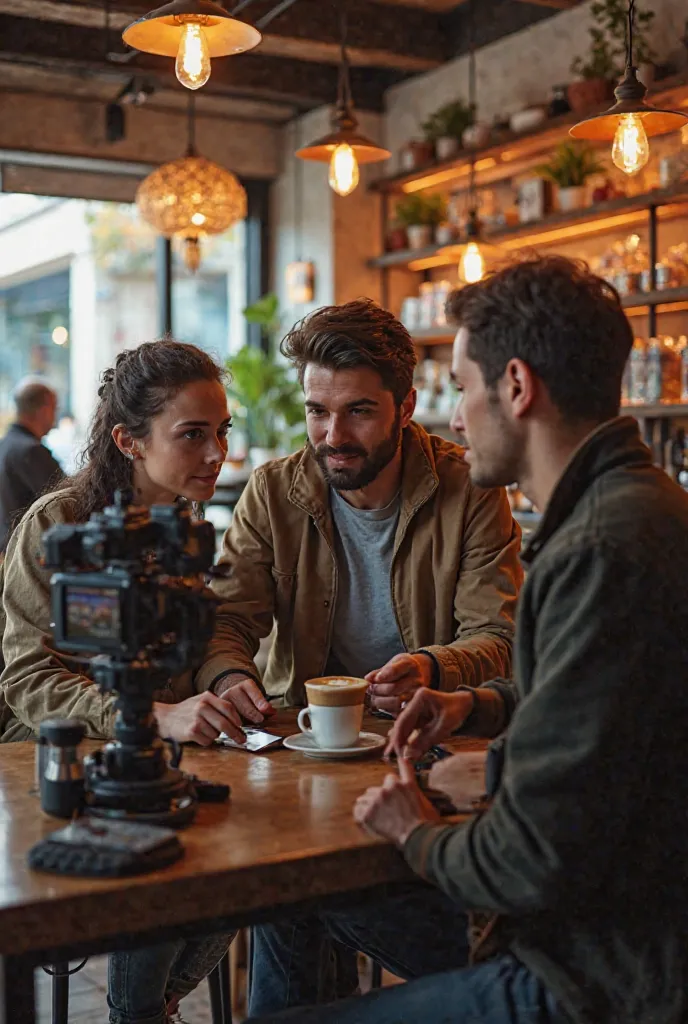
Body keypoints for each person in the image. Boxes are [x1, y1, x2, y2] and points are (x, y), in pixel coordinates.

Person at [251, 255, 688, 1024]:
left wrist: (416, 833)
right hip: (607, 936)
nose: (453, 418)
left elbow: (530, 860)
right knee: (299, 902)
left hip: (596, 971)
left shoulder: (599, 549)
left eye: (460, 387)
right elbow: (606, 726)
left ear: (516, 387)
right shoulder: (640, 508)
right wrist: (475, 706)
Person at [200, 298, 523, 1015]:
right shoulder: (273, 491)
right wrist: (230, 674)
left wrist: (433, 667)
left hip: (427, 748)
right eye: (318, 411)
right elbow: (228, 620)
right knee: (290, 884)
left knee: (296, 894)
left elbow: (499, 638)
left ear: (407, 406)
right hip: (301, 757)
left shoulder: (468, 488)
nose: (332, 435)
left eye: (358, 413)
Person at [0, 340, 248, 1023]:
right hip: (47, 760)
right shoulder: (58, 525)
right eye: (192, 435)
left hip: (158, 754)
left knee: (246, 844)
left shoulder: (186, 529)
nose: (214, 454)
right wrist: (151, 716)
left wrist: (224, 679)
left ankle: (153, 1005)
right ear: (128, 440)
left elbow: (188, 650)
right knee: (174, 850)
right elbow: (26, 678)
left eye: (221, 432)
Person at [0, 377, 62, 552]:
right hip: (25, 553)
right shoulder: (30, 451)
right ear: (43, 410)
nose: (55, 415)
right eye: (54, 408)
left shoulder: (4, 445)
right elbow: (65, 499)